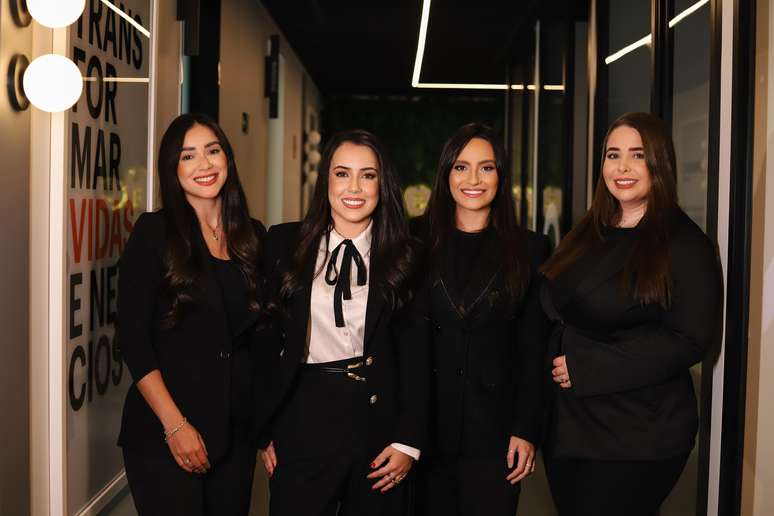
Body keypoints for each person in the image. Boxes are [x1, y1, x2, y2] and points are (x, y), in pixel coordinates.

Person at [539, 112, 722, 516]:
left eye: (637, 155)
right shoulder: (591, 229)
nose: (622, 167)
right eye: (613, 155)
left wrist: (588, 366)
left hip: (638, 433)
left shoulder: (685, 243)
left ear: (660, 163)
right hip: (570, 427)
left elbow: (690, 339)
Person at [257, 130, 429, 516]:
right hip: (302, 416)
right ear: (326, 181)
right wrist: (265, 428)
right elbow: (264, 342)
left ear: (383, 185)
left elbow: (418, 355)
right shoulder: (284, 243)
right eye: (342, 174)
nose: (354, 187)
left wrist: (408, 441)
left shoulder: (408, 255)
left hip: (378, 422)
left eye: (368, 175)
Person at [116, 113, 265, 515]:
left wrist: (265, 430)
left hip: (236, 436)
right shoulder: (153, 232)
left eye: (213, 151)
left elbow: (263, 341)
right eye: (188, 156)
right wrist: (175, 425)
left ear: (227, 158)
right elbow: (132, 338)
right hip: (165, 434)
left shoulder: (253, 236)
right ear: (173, 168)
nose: (204, 164)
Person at [411, 123, 551, 516]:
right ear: (446, 174)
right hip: (423, 430)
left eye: (486, 168)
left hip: (495, 434)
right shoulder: (412, 240)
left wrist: (526, 428)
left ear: (500, 176)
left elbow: (533, 348)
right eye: (461, 167)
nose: (473, 179)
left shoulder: (531, 248)